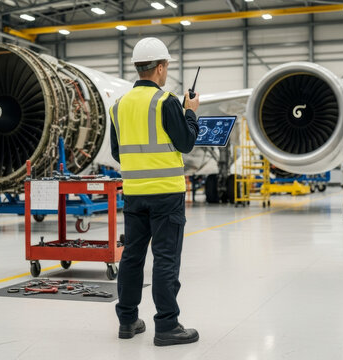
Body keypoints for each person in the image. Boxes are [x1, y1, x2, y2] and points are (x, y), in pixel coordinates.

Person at [109, 37, 200, 346]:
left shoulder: (118, 106)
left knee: (132, 257)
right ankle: (167, 326)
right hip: (166, 194)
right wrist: (191, 113)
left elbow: (117, 153)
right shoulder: (166, 101)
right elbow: (186, 144)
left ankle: (128, 320)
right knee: (164, 259)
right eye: (166, 67)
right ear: (160, 67)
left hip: (133, 193)